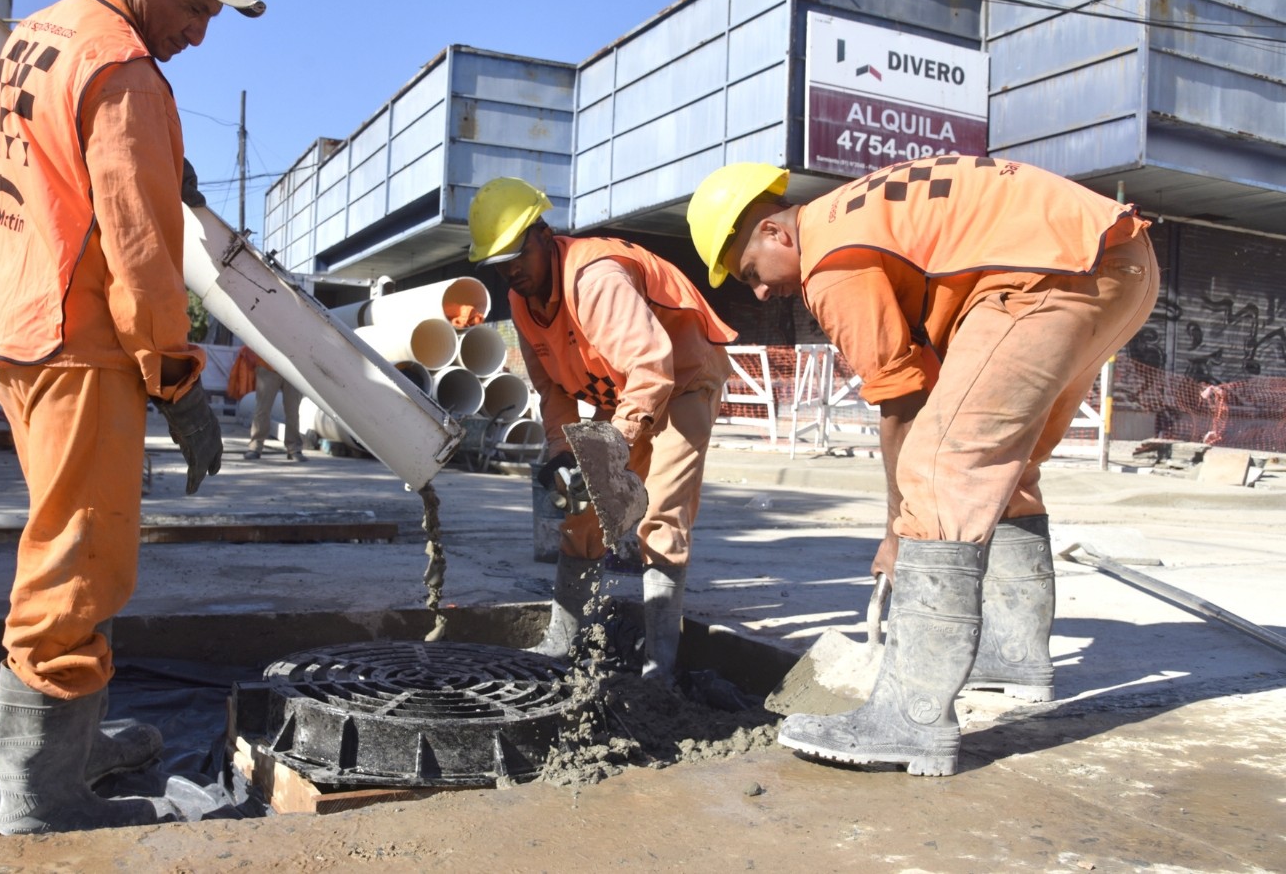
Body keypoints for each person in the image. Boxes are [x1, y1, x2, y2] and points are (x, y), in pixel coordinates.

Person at [688, 156, 1159, 775]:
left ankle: (909, 719)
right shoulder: (855, 215)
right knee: (1004, 469)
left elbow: (903, 400)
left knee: (941, 465)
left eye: (751, 272)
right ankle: (1015, 657)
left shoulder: (831, 260)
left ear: (776, 232)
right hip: (1117, 263)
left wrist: (897, 532)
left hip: (1049, 277)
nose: (759, 291)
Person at [0, 0, 264, 833]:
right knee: (78, 560)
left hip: (14, 318)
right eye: (194, 8)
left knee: (75, 538)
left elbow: (56, 161)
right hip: (75, 337)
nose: (199, 34)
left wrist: (153, 151)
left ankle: (70, 750)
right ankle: (43, 797)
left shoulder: (46, 32)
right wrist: (177, 378)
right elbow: (141, 254)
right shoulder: (123, 70)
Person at [467, 177, 736, 682]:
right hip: (625, 393)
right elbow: (553, 391)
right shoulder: (523, 303)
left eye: (518, 255)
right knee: (583, 511)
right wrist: (563, 453)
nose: (512, 271)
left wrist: (613, 444)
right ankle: (564, 639)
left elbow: (652, 368)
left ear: (544, 234)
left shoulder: (594, 279)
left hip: (683, 380)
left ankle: (659, 668)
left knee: (661, 512)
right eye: (499, 263)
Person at [238, 346, 306, 461]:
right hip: (268, 366)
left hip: (294, 368)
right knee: (262, 409)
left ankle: (294, 448)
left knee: (293, 411)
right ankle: (255, 447)